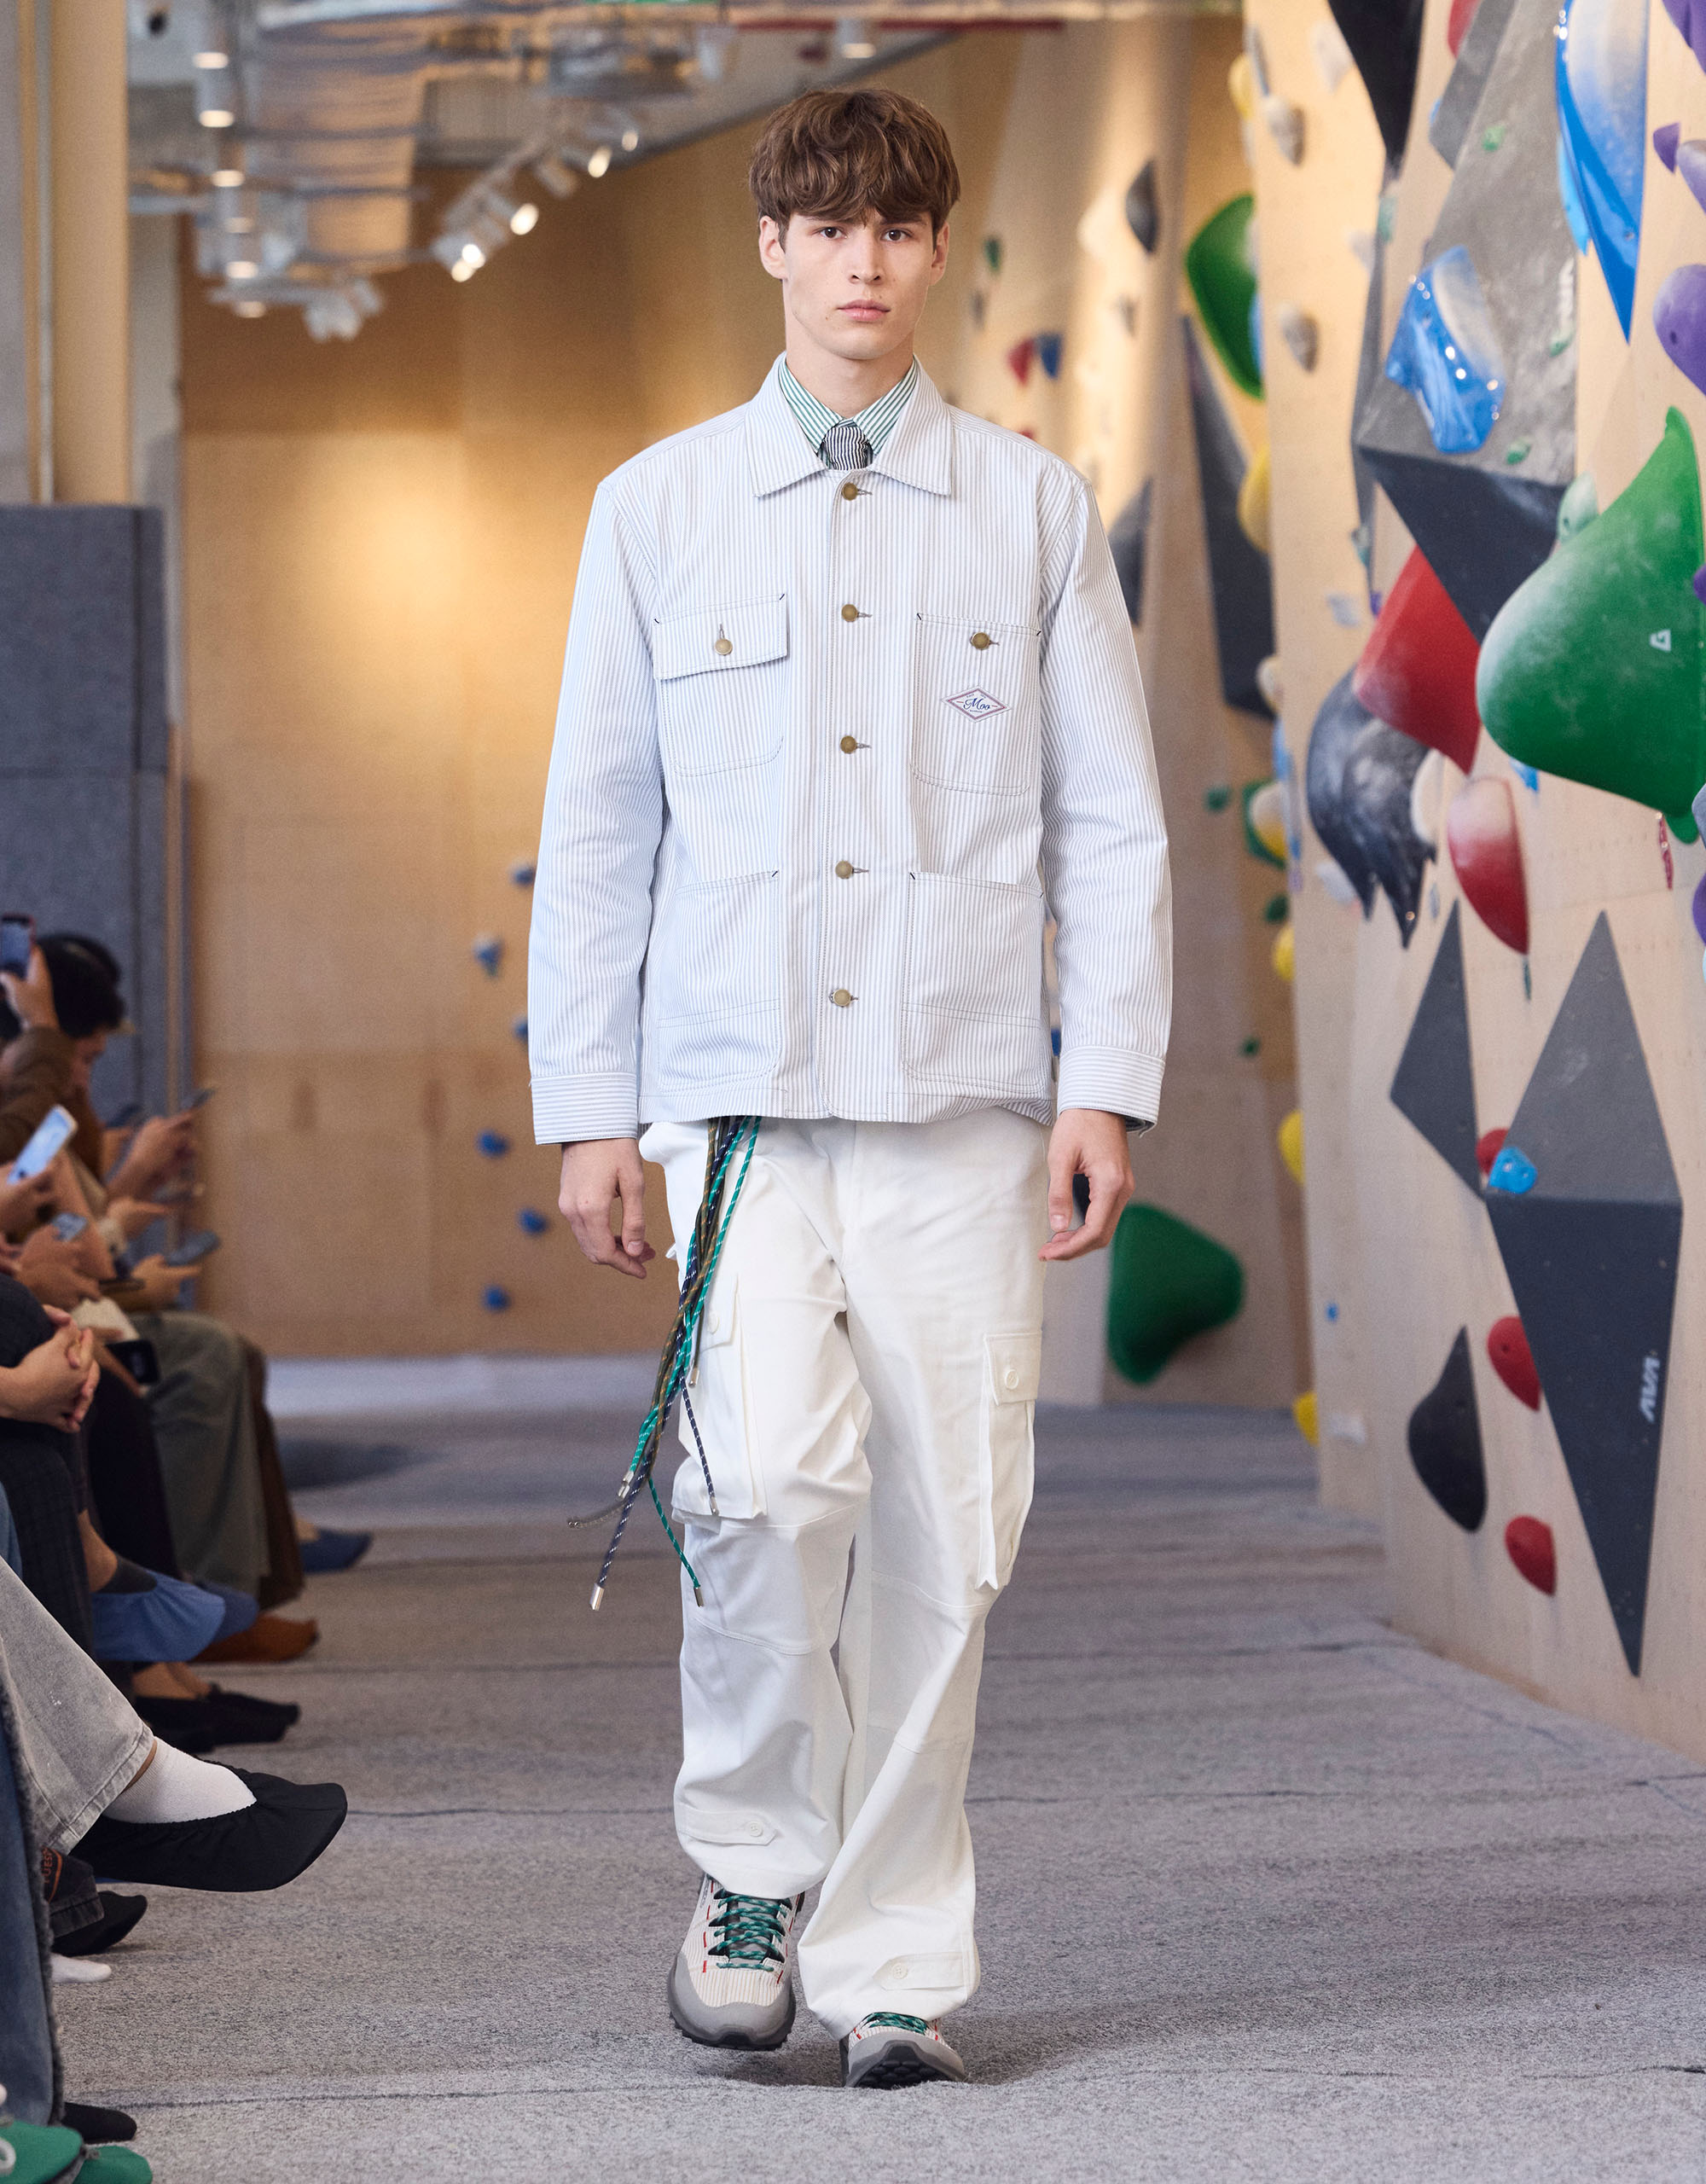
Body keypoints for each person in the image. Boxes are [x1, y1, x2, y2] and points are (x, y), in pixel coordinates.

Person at [528, 87, 1171, 2088]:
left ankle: (893, 1961)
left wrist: (1104, 1080)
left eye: (897, 226)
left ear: (937, 248)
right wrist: (588, 1104)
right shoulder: (657, 507)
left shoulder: (1028, 506)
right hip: (732, 1105)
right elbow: (600, 826)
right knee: (766, 1495)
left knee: (945, 1536)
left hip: (963, 1106)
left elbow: (1111, 823)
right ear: (773, 246)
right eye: (829, 228)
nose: (864, 262)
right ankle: (748, 1871)